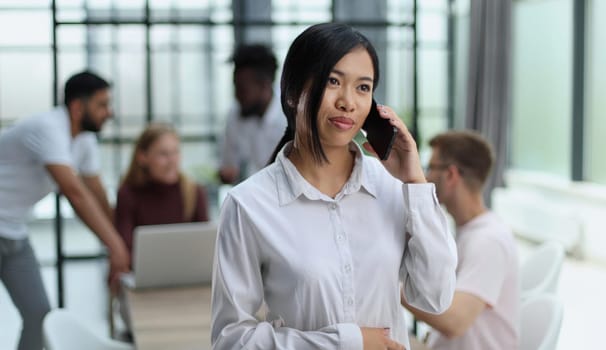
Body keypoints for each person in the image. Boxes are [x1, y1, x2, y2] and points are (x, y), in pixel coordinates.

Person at [211, 23, 457, 350]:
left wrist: (415, 182)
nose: (348, 102)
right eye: (333, 81)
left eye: (363, 87)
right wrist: (346, 342)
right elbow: (231, 341)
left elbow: (435, 297)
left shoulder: (393, 188)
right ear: (292, 91)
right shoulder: (248, 205)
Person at [0, 71, 129, 350]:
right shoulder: (48, 128)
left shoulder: (84, 140)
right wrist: (115, 246)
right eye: (102, 105)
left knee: (38, 316)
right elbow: (75, 193)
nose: (110, 112)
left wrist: (120, 242)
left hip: (13, 234)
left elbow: (95, 192)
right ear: (77, 107)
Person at [401, 131, 519, 350]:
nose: (425, 176)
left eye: (431, 167)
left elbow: (454, 322)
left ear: (451, 175)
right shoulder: (468, 231)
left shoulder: (488, 241)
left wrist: (392, 284)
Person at [114, 122, 210, 263]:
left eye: (175, 152)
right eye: (163, 154)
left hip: (188, 275)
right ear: (142, 157)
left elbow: (204, 247)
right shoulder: (128, 194)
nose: (172, 161)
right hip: (144, 276)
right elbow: (125, 250)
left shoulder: (194, 192)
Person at [218, 43, 287, 184]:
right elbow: (228, 164)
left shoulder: (290, 117)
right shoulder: (235, 115)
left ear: (264, 85)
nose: (237, 96)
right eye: (235, 87)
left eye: (242, 89)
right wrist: (227, 172)